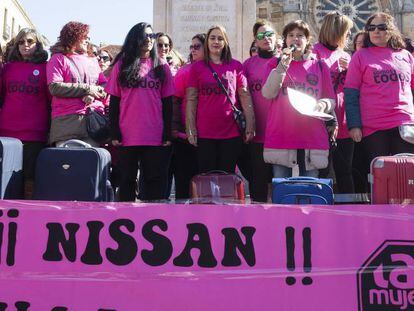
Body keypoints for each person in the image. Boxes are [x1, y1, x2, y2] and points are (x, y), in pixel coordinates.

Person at [105, 22, 174, 202]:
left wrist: (167, 133)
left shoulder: (162, 66)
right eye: (144, 36)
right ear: (135, 38)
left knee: (154, 180)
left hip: (154, 134)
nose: (148, 40)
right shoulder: (122, 65)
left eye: (151, 36)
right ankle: (126, 219)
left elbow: (168, 103)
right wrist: (115, 132)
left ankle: (154, 219)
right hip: (128, 134)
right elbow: (114, 102)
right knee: (127, 180)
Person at [262, 20, 336, 178]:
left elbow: (331, 99)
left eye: (300, 35)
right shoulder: (274, 64)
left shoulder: (320, 66)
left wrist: (323, 104)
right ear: (285, 40)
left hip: (311, 139)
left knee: (309, 192)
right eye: (291, 35)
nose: (295, 39)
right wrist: (282, 66)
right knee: (283, 194)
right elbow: (268, 93)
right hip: (282, 137)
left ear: (308, 40)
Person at [344, 13, 414, 175]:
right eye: (371, 28)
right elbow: (351, 93)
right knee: (380, 175)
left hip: (404, 123)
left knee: (407, 173)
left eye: (381, 28)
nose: (376, 31)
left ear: (391, 31)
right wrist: (354, 125)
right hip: (374, 126)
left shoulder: (405, 56)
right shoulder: (360, 56)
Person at [186, 25, 255, 174]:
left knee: (227, 177)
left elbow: (245, 96)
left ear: (225, 42)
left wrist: (250, 125)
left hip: (231, 132)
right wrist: (190, 129)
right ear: (207, 42)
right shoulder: (197, 68)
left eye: (220, 38)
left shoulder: (236, 65)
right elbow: (191, 100)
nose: (216, 41)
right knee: (206, 178)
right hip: (205, 132)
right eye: (212, 38)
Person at [0, 28, 49, 199]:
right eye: (21, 42)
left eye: (30, 41)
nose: (25, 45)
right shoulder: (7, 68)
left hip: (34, 134)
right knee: (5, 178)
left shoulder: (46, 69)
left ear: (38, 44)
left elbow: (51, 102)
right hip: (6, 134)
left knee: (30, 179)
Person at [313, 11, 354, 193]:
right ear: (336, 30)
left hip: (343, 122)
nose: (348, 36)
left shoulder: (345, 55)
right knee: (321, 170)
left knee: (345, 171)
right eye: (346, 31)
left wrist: (350, 69)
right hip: (321, 121)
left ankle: (351, 217)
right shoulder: (314, 53)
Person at [47, 21, 107, 147]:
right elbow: (55, 87)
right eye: (84, 37)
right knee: (68, 164)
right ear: (72, 37)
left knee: (91, 164)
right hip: (67, 124)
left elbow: (104, 86)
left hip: (93, 123)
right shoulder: (58, 59)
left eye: (88, 37)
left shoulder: (93, 61)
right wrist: (87, 89)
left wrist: (93, 94)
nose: (87, 40)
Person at [242, 20, 277, 202]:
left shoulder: (283, 62)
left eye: (270, 34)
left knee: (279, 182)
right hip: (257, 133)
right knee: (258, 180)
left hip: (280, 133)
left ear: (276, 37)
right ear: (256, 41)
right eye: (261, 36)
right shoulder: (248, 65)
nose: (266, 39)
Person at [171, 33, 206, 199]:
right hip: (186, 137)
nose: (193, 50)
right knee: (184, 185)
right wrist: (176, 130)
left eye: (197, 46)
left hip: (209, 135)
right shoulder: (185, 71)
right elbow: (175, 101)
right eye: (191, 47)